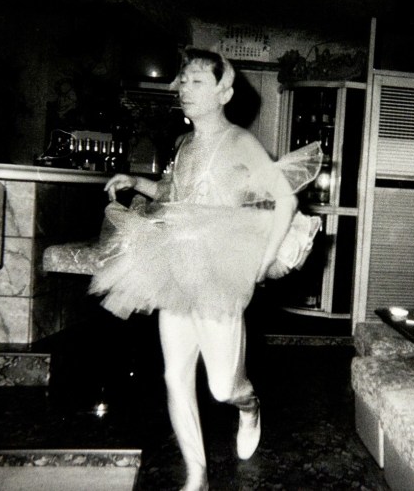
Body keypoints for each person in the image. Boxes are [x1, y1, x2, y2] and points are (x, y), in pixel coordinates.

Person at [88, 48, 321, 491]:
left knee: (221, 388)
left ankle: (250, 406)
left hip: (220, 268)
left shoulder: (240, 141)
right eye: (183, 81)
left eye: (197, 82)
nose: (184, 90)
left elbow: (286, 198)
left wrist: (264, 260)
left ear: (224, 92)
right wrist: (137, 182)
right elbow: (174, 192)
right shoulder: (184, 143)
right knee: (174, 374)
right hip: (175, 263)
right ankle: (197, 475)